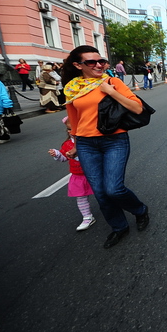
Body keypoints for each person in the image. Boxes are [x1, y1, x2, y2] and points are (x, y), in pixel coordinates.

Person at [62, 45, 149, 249]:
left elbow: (137, 108)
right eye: (91, 62)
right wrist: (75, 143)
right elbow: (74, 117)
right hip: (85, 144)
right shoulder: (72, 88)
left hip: (114, 140)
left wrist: (111, 92)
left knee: (114, 189)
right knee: (100, 192)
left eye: (101, 61)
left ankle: (140, 210)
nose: (99, 65)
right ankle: (119, 227)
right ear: (78, 65)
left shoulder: (112, 81)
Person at [48, 116, 97, 231]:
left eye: (75, 129)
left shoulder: (89, 141)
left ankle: (112, 208)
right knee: (81, 197)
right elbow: (64, 158)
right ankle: (87, 217)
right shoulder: (66, 144)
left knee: (103, 193)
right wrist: (57, 154)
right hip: (78, 176)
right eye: (69, 129)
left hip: (93, 173)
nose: (72, 132)